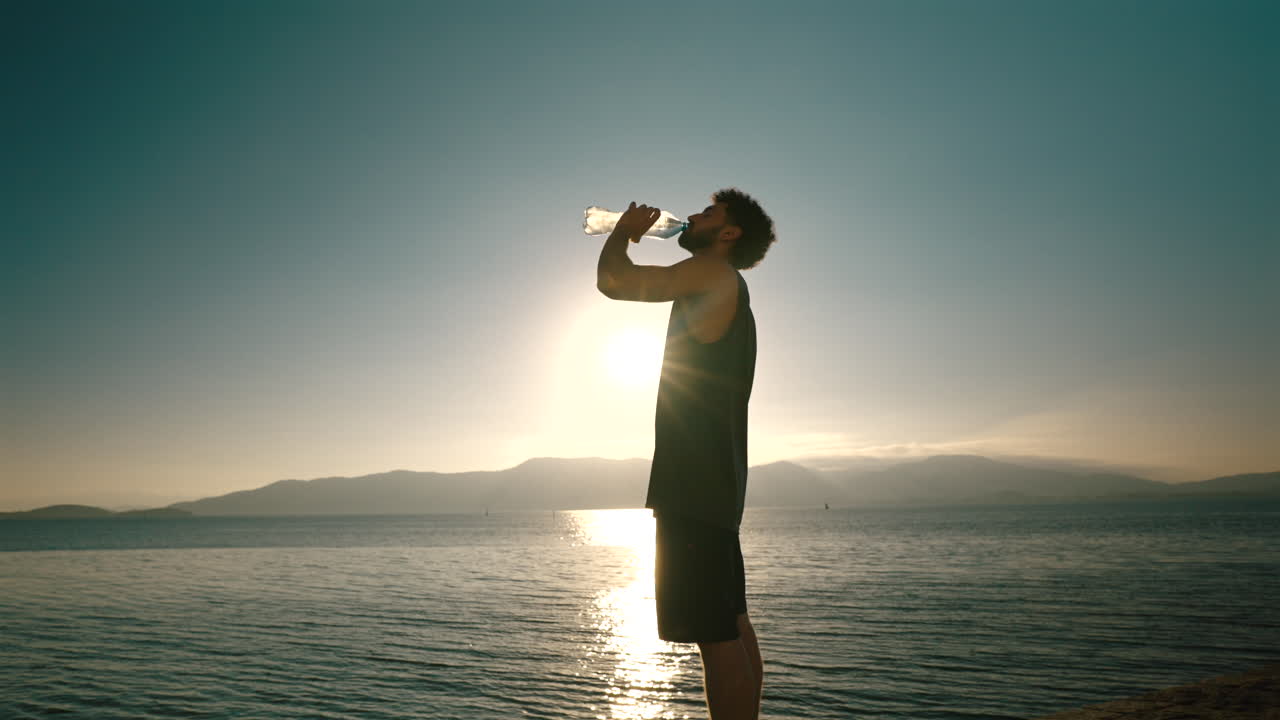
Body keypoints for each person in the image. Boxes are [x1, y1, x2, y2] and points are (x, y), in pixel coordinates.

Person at [596, 189, 777, 720]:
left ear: (729, 234)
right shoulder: (729, 289)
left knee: (714, 632)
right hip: (716, 482)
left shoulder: (711, 274)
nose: (693, 216)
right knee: (730, 621)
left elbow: (614, 282)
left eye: (710, 213)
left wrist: (622, 232)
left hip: (694, 480)